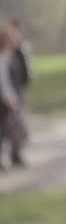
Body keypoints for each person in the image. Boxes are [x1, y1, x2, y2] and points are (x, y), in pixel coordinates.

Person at [0, 23, 27, 170]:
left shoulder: (12, 55)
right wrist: (10, 99)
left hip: (12, 98)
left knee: (13, 130)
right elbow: (3, 81)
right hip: (5, 101)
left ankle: (15, 156)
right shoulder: (2, 57)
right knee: (5, 131)